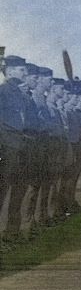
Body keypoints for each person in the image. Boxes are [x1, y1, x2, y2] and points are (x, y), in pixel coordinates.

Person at [0, 56, 41, 234]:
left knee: (19, 189)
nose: (25, 73)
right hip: (7, 146)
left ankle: (12, 231)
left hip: (22, 147)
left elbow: (32, 121)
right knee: (3, 191)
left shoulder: (21, 94)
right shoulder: (2, 92)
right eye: (21, 70)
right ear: (9, 71)